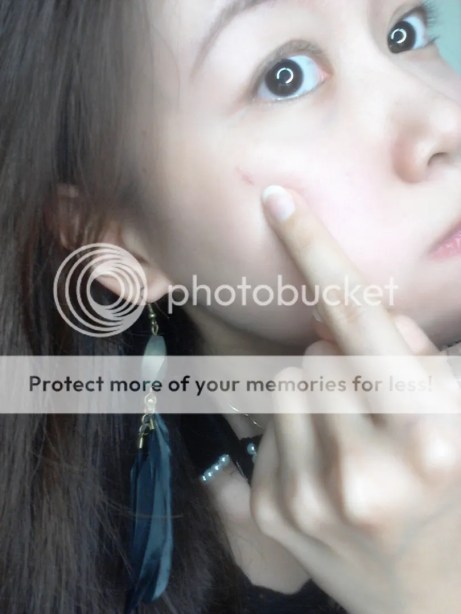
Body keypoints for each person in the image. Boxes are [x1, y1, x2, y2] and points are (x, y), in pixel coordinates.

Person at [1, 0, 461, 612]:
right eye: (285, 77)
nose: (446, 119)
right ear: (121, 243)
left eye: (404, 31)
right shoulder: (85, 557)